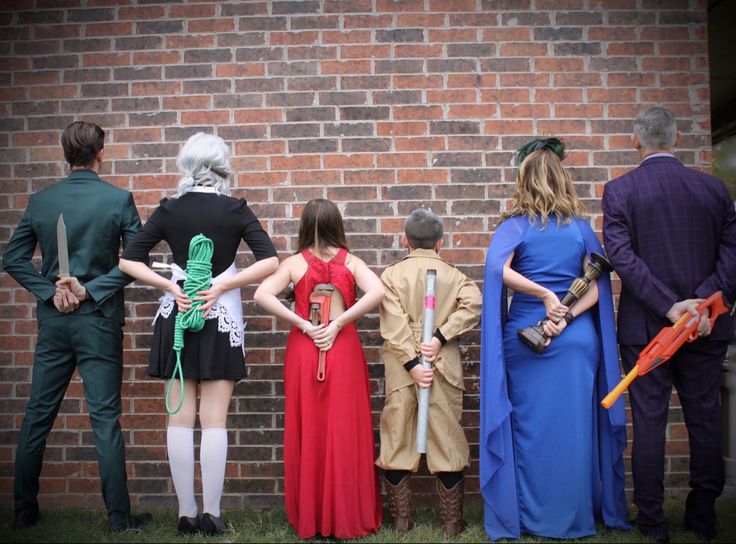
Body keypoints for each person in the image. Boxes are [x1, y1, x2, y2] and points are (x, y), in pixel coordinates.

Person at [118, 133, 278, 535]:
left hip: (179, 313)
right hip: (219, 314)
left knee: (179, 419)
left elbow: (128, 261)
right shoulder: (235, 209)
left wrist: (171, 286)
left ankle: (185, 514)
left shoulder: (170, 210)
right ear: (221, 164)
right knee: (214, 421)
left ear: (186, 164)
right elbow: (271, 260)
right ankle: (212, 512)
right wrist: (223, 286)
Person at [2, 121, 151, 533]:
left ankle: (22, 512)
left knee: (37, 415)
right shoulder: (119, 200)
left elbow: (13, 260)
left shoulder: (40, 201)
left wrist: (52, 293)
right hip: (99, 322)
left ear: (65, 154)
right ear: (100, 151)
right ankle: (119, 520)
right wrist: (90, 291)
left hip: (55, 322)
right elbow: (137, 264)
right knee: (104, 419)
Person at [480, 138, 631, 540]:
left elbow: (498, 269)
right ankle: (574, 516)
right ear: (563, 180)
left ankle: (534, 517)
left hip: (530, 337)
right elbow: (597, 287)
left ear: (524, 181)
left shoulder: (514, 227)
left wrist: (545, 300)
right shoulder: (580, 229)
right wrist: (564, 310)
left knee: (533, 429)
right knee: (574, 428)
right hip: (576, 337)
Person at [602, 106, 736, 542]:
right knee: (705, 418)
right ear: (676, 138)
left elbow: (623, 259)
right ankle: (703, 517)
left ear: (635, 140)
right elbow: (731, 258)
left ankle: (654, 522)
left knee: (649, 421)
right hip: (705, 327)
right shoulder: (715, 191)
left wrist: (669, 306)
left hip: (647, 325)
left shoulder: (620, 191)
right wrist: (699, 308)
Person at [253, 198, 384, 539]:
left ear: (305, 226)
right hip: (341, 348)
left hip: (305, 348)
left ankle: (312, 516)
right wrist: (339, 323)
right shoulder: (352, 262)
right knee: (344, 428)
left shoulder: (295, 263)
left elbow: (262, 295)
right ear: (336, 225)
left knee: (308, 426)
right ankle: (344, 514)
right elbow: (378, 292)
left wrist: (305, 325)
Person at [376, 209, 481, 537]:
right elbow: (474, 304)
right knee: (447, 436)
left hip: (403, 367)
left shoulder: (391, 275)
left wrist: (411, 364)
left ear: (404, 240)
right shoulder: (454, 275)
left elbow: (393, 325)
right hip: (441, 363)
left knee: (396, 437)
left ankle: (401, 523)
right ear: (440, 242)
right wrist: (440, 338)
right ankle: (451, 525)